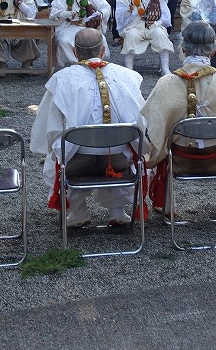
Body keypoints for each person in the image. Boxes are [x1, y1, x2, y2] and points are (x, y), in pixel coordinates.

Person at [141, 21, 216, 218]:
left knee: (161, 142)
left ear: (183, 48)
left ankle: (167, 206)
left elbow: (152, 126)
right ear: (213, 50)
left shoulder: (166, 83)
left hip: (177, 157)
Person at [30, 28, 146, 227]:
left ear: (75, 52)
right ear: (102, 51)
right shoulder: (128, 77)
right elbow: (142, 122)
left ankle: (78, 212)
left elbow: (50, 127)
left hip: (78, 160)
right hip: (118, 160)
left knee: (57, 153)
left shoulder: (62, 79)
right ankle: (117, 211)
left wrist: (54, 148)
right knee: (129, 148)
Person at [115, 0, 174, 74]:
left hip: (153, 26)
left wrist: (157, 23)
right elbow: (119, 16)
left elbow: (166, 15)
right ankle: (129, 69)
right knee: (131, 35)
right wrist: (129, 11)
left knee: (161, 34)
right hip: (135, 26)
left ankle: (165, 68)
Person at [49, 0, 111, 70]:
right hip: (69, 27)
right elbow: (53, 13)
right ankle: (76, 65)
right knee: (63, 41)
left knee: (101, 39)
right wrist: (66, 14)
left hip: (87, 27)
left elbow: (106, 7)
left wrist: (100, 14)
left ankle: (95, 65)